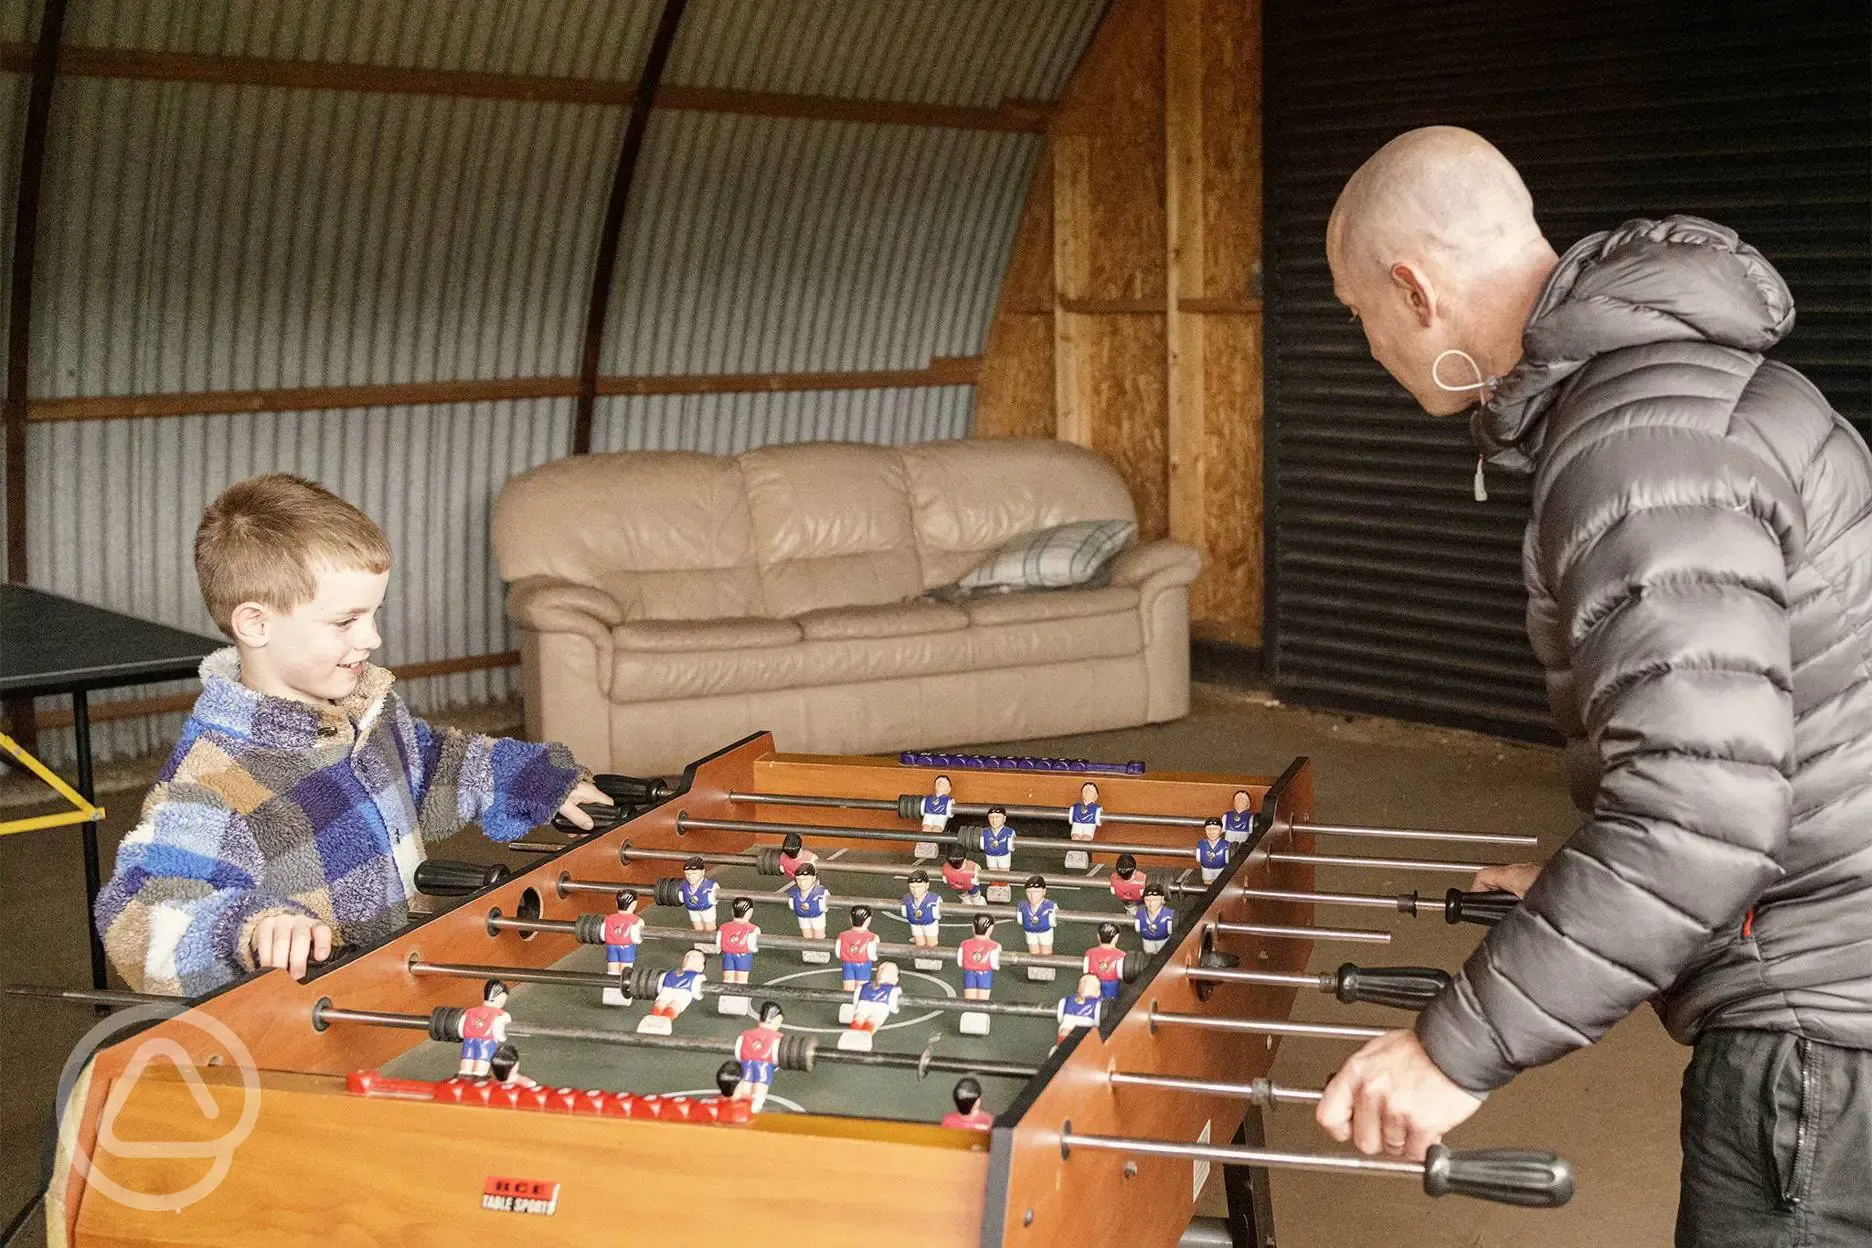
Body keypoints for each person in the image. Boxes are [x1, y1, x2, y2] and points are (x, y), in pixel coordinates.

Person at [1313, 126, 1872, 1243]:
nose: (1366, 343)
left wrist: (1450, 1047)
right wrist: (1585, 875)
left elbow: (1701, 808)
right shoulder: (1684, 398)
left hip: (1819, 1028)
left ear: (1414, 290)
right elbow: (1773, 727)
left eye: (1355, 311)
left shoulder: (1637, 446)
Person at [93, 474, 608, 996]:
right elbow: (140, 921)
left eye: (373, 613)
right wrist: (248, 930)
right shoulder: (212, 780)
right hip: (314, 1030)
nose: (372, 638)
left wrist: (530, 778)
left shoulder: (365, 715)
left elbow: (433, 766)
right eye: (345, 621)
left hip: (409, 986)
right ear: (255, 624)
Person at [979, 806, 1016, 871]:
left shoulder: (1009, 832)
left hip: (1003, 856)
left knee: (1004, 872)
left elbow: (1012, 847)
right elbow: (982, 846)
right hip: (990, 856)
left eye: (997, 817)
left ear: (1004, 818)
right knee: (992, 872)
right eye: (991, 817)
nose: (994, 820)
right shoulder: (984, 832)